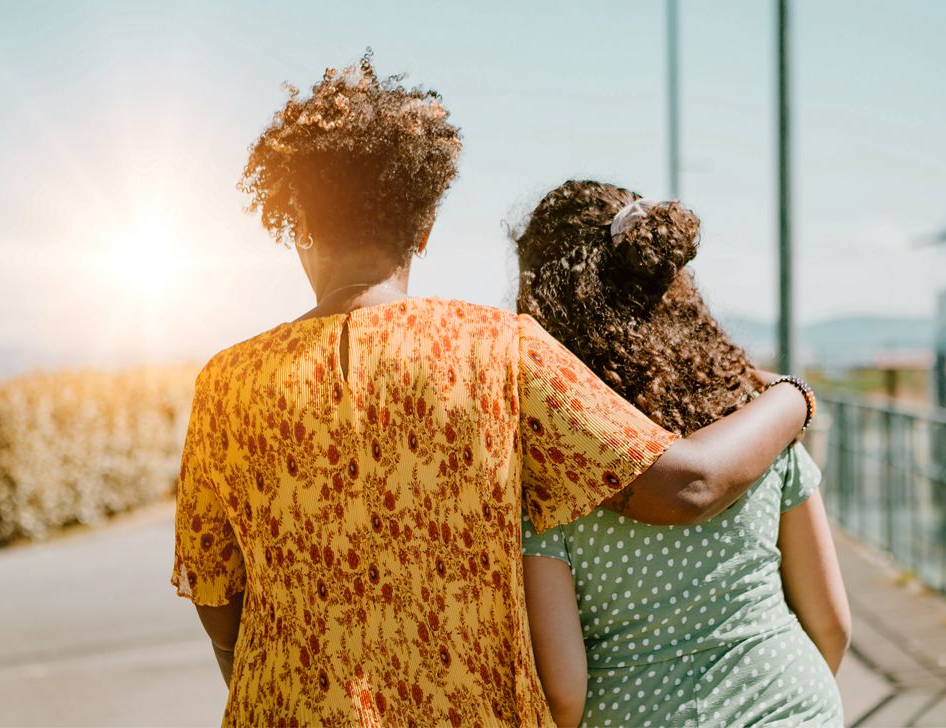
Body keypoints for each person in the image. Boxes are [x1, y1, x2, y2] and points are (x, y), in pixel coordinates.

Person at [171, 56, 812, 727]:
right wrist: (793, 397)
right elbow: (687, 486)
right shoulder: (498, 349)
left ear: (297, 223)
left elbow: (220, 605)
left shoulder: (225, 385)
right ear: (423, 228)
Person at [514, 180, 850, 727]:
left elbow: (565, 689)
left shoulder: (553, 462)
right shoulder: (755, 424)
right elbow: (833, 623)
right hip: (794, 703)